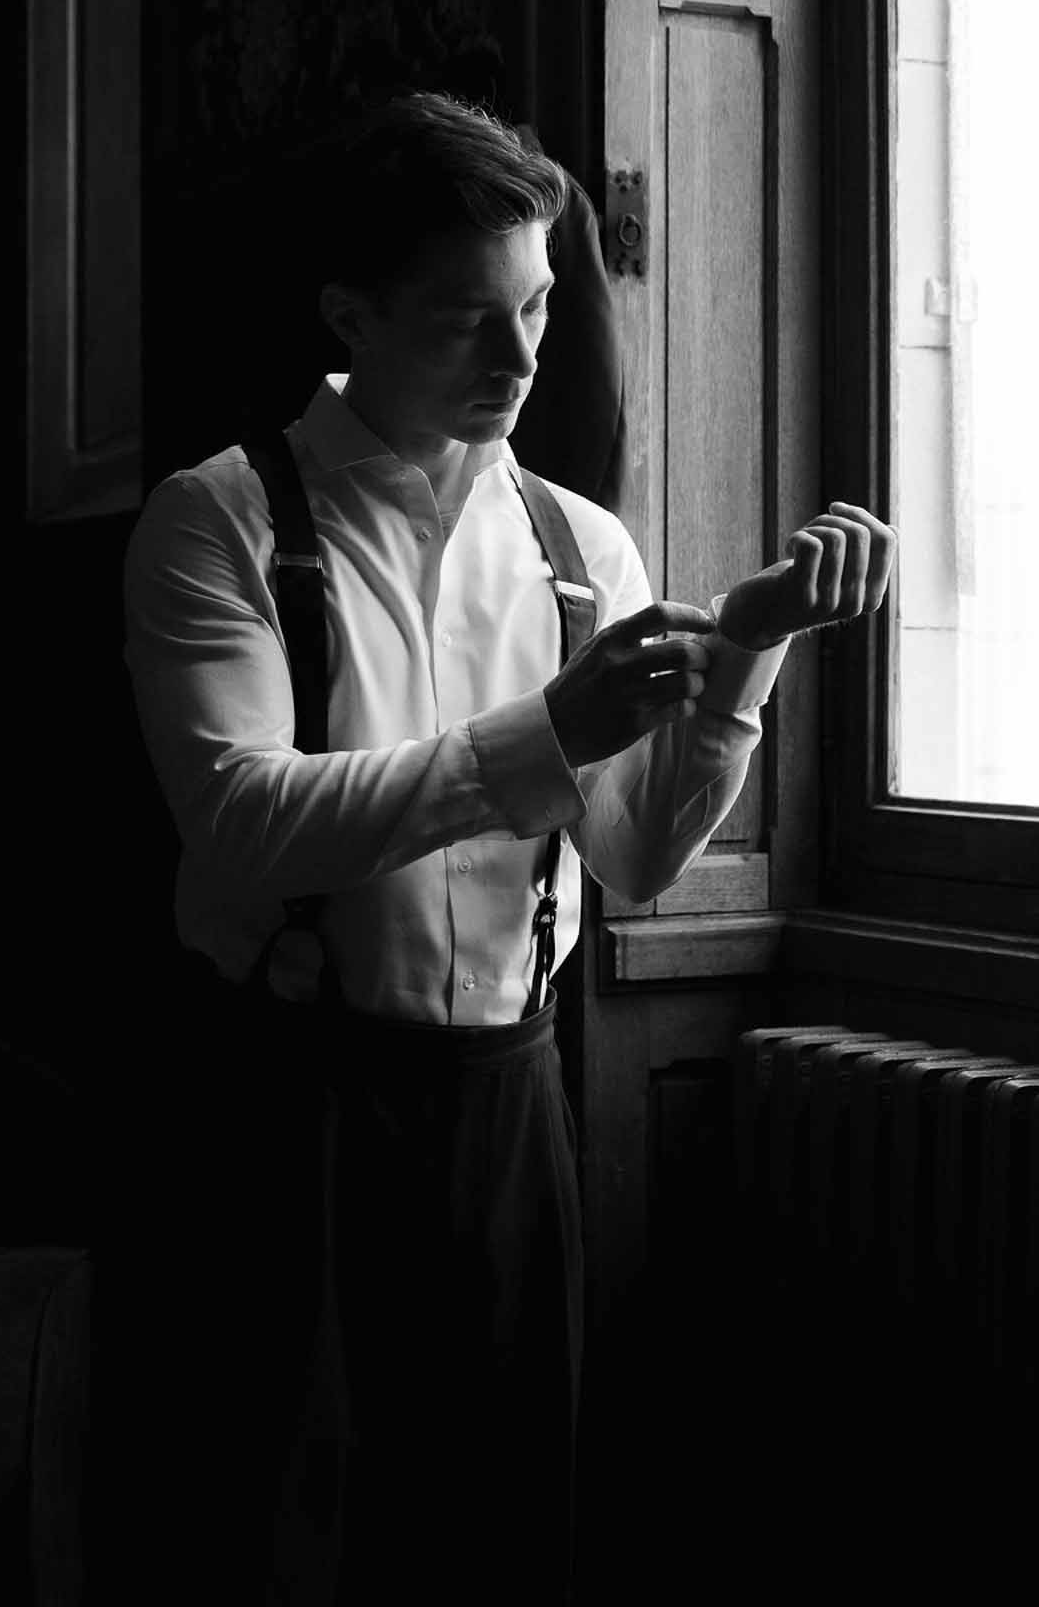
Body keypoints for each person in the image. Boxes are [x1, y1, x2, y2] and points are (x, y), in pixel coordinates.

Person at [124, 91, 897, 1606]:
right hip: (284, 1109)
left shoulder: (577, 550)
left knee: (495, 1530)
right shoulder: (214, 521)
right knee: (271, 1540)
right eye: (468, 319)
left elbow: (630, 863)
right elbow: (245, 814)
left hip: (505, 1105)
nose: (522, 358)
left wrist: (744, 658)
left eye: (539, 306)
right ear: (350, 315)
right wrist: (544, 733)